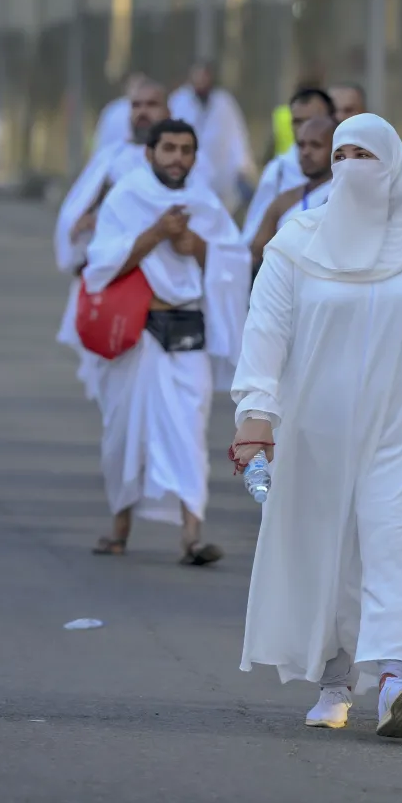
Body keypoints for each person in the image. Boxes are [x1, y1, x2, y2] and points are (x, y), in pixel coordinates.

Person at [230, 113, 402, 738]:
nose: (353, 167)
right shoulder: (296, 242)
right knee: (332, 552)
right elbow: (266, 332)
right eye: (343, 155)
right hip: (319, 431)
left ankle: (395, 677)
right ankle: (335, 679)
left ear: (393, 164)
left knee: (401, 541)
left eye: (367, 155)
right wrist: (256, 414)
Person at [84, 119, 250, 564]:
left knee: (189, 432)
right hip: (136, 333)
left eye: (186, 150)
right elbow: (100, 267)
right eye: (169, 148)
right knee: (124, 433)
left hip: (186, 330)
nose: (178, 158)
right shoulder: (127, 197)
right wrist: (156, 234)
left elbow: (232, 261)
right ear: (150, 153)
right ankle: (119, 529)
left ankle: (191, 537)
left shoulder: (204, 202)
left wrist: (192, 243)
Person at [55, 80, 217, 400]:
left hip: (177, 307)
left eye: (151, 104)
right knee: (120, 408)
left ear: (168, 110)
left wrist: (196, 244)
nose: (142, 112)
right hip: (119, 294)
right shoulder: (111, 157)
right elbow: (79, 215)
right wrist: (85, 225)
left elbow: (215, 233)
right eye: (136, 105)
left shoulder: (191, 167)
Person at [242, 87, 335, 249]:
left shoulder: (349, 172)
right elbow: (255, 239)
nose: (303, 127)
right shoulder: (278, 170)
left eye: (312, 119)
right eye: (297, 121)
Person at [248, 116, 335, 272]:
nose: (306, 152)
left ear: (335, 150)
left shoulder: (348, 194)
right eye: (301, 145)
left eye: (316, 145)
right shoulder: (284, 201)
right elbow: (257, 252)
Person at [169, 60, 256, 212]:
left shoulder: (224, 101)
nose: (201, 80)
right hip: (188, 174)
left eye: (205, 76)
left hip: (221, 176)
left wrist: (243, 168)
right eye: (198, 76)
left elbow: (237, 135)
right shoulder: (178, 100)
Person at [92, 71, 145, 154]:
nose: (136, 89)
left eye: (140, 86)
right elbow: (101, 143)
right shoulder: (113, 110)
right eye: (134, 85)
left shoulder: (149, 110)